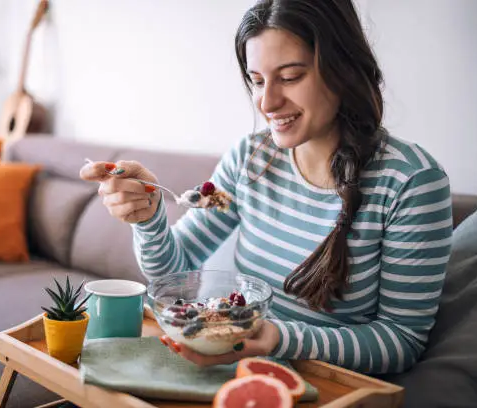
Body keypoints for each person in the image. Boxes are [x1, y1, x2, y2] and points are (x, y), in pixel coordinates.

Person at [80, 0, 452, 375]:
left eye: (290, 77)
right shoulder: (250, 157)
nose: (268, 102)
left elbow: (402, 339)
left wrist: (280, 337)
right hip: (238, 371)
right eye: (257, 81)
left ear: (343, 70)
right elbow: (173, 276)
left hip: (328, 386)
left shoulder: (411, 182)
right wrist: (148, 218)